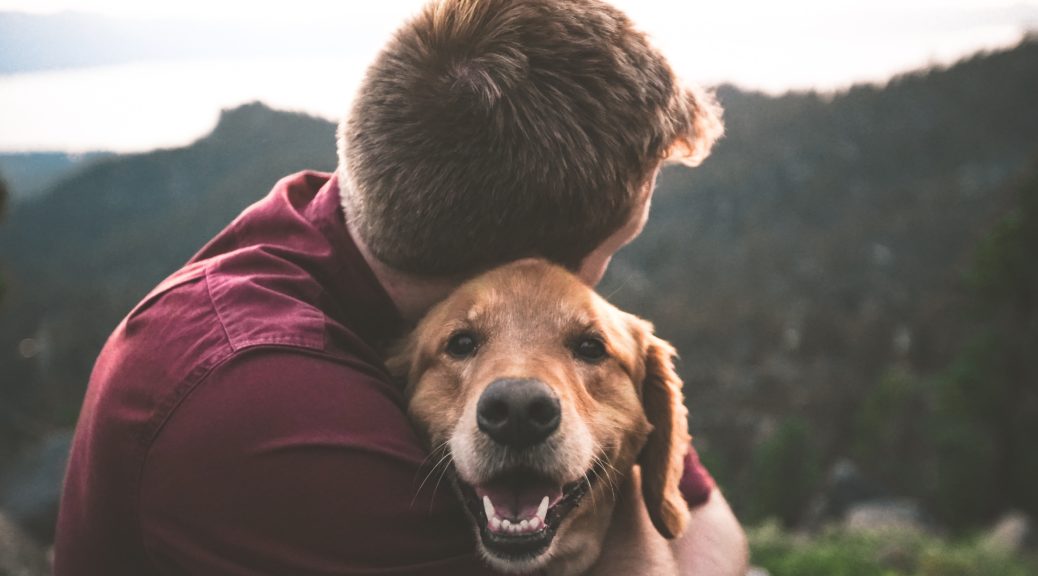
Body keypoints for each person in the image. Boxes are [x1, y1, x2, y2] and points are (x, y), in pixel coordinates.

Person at [54, 0, 747, 574]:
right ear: (521, 268)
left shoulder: (356, 223)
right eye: (614, 248)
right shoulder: (265, 408)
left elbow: (709, 522)